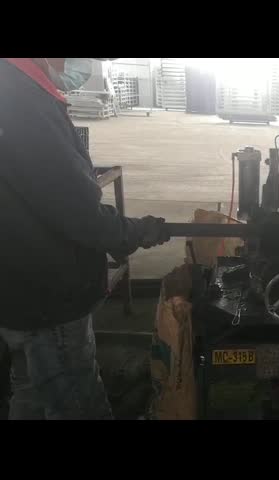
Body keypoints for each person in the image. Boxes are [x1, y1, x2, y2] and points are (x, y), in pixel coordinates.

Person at [0, 58, 170, 419]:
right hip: (48, 298)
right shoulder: (23, 102)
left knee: (31, 394)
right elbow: (77, 211)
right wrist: (134, 231)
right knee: (79, 404)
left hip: (19, 292)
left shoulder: (15, 89)